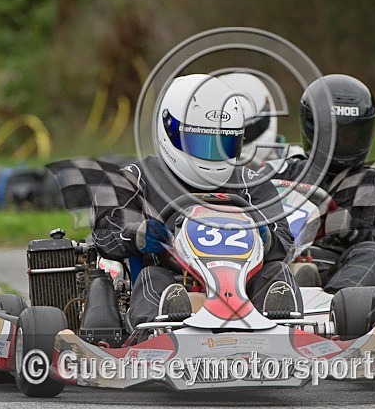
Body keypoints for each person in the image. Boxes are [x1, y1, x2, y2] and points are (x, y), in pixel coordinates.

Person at [91, 74, 302, 326]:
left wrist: (268, 240)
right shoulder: (133, 180)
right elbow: (104, 232)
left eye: (223, 143)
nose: (212, 154)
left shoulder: (251, 183)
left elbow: (285, 242)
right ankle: (156, 336)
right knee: (153, 277)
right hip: (172, 286)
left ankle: (288, 333)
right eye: (201, 142)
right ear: (170, 130)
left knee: (277, 274)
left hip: (243, 290)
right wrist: (138, 235)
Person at [261, 74, 375, 293]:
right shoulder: (280, 172)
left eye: (350, 135)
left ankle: (336, 302)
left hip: (336, 270)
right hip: (271, 262)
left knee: (374, 251)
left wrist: (348, 229)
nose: (340, 143)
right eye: (330, 134)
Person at [218, 72, 302, 169]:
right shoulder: (208, 167)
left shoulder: (295, 160)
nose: (240, 139)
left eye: (247, 133)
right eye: (228, 134)